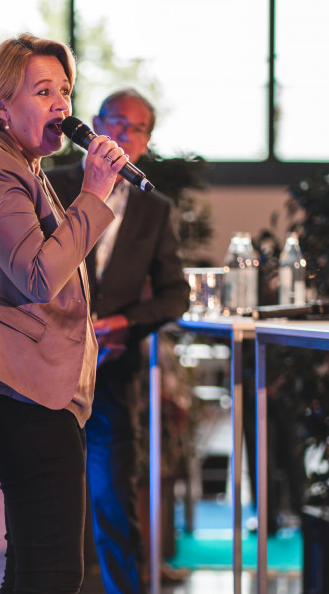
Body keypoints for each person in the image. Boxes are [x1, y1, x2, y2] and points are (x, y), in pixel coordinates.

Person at [0, 33, 126, 594]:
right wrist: (94, 195)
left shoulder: (26, 166)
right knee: (54, 574)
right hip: (18, 396)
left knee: (30, 570)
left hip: (31, 393)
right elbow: (39, 275)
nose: (61, 106)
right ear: (1, 106)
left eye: (65, 91)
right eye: (43, 92)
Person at [47, 88, 190, 594]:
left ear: (147, 141)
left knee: (113, 498)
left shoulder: (155, 207)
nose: (122, 135)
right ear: (94, 127)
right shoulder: (52, 183)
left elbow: (175, 294)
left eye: (135, 128)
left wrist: (126, 323)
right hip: (50, 367)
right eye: (114, 122)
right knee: (49, 499)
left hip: (113, 371)